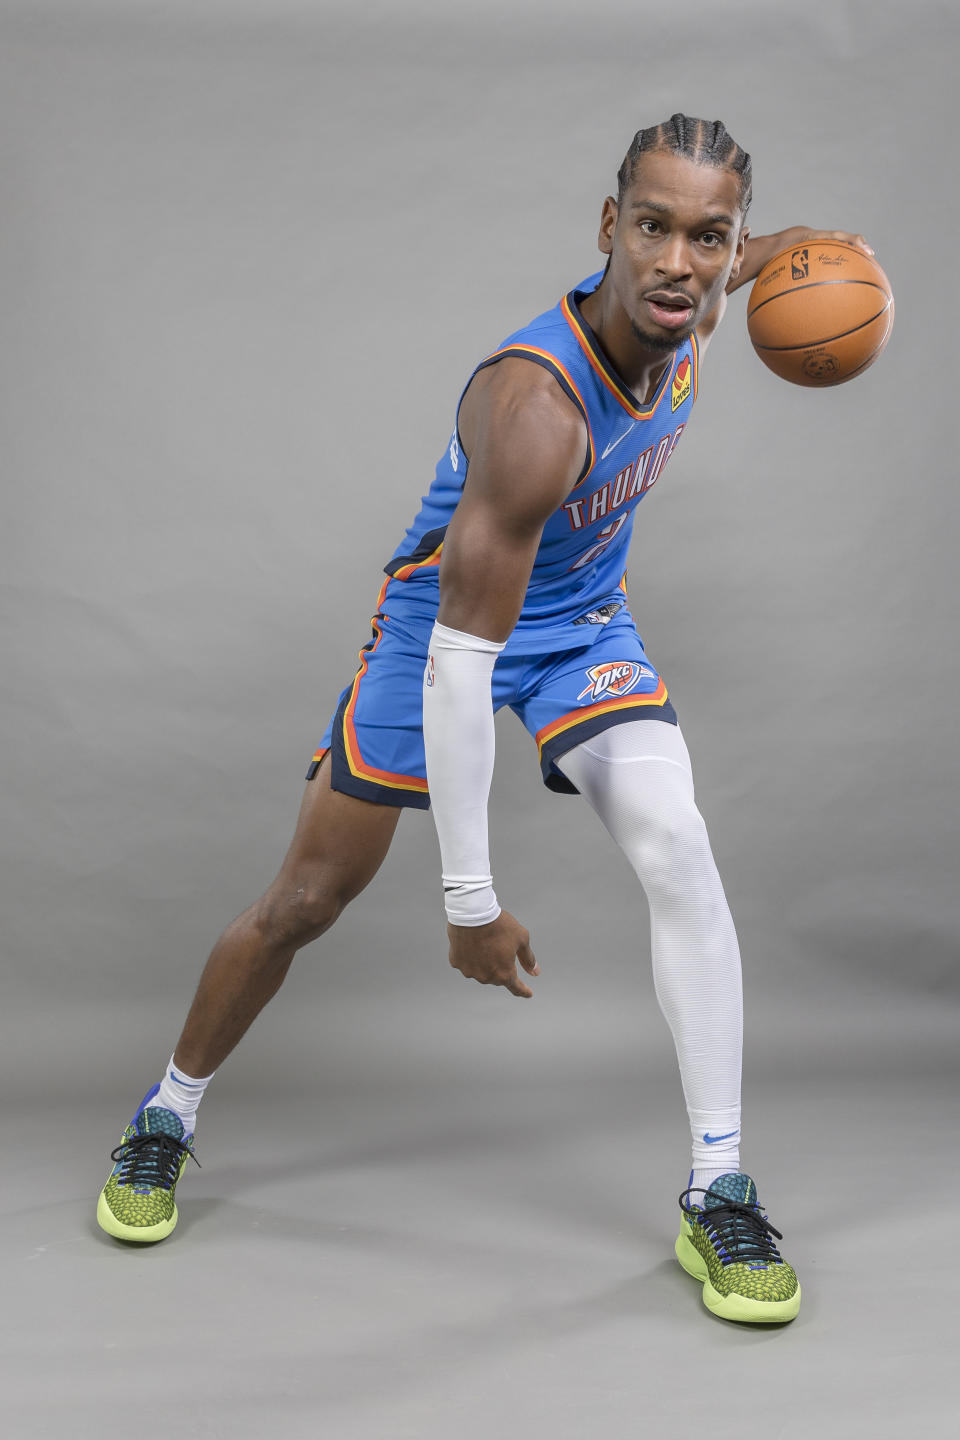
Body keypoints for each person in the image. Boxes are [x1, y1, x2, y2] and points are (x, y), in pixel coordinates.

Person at [97, 113, 872, 1325]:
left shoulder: (710, 299)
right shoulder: (536, 405)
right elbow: (465, 665)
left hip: (583, 627)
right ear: (607, 229)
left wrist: (803, 246)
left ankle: (717, 1184)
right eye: (654, 229)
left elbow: (754, 252)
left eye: (708, 237)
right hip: (442, 631)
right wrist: (470, 902)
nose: (680, 261)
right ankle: (166, 1114)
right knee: (307, 899)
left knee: (680, 847)